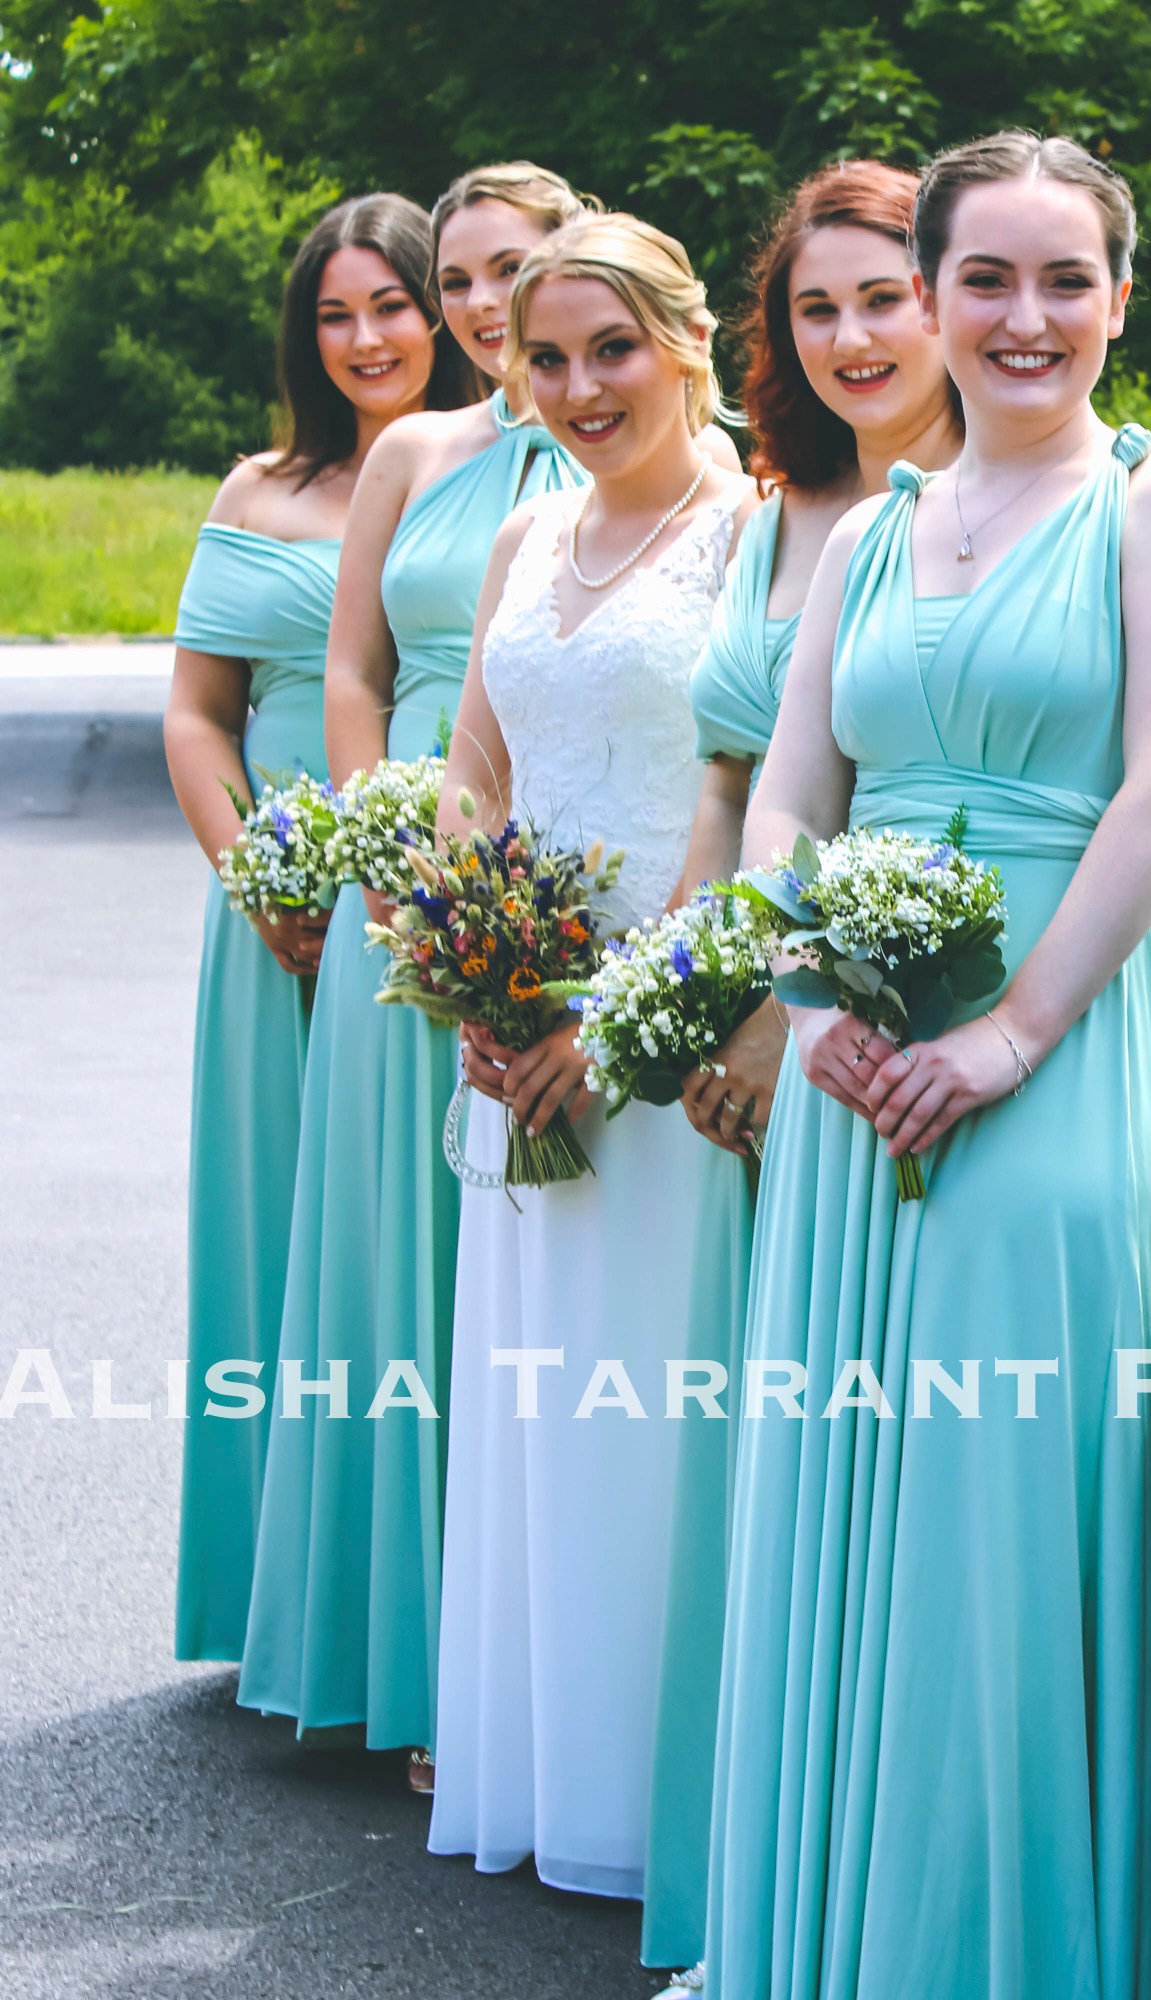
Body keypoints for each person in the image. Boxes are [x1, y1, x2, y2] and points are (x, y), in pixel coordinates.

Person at [692, 131, 1151, 2000]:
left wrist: (1009, 1035)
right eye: (985, 280)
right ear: (929, 298)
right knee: (843, 1511)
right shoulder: (870, 534)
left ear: (1120, 300)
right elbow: (791, 794)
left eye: (1064, 280)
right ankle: (830, 1951)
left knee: (995, 1526)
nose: (1026, 318)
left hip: (1051, 1072)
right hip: (855, 1077)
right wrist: (811, 1004)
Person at [234, 163, 695, 1784]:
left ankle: (604, 1726)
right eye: (472, 286)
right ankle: (463, 1688)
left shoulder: (729, 506)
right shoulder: (460, 486)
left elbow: (734, 771)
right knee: (472, 1318)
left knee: (617, 1337)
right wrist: (442, 922)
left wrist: (626, 990)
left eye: (538, 291)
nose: (503, 319)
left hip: (637, 942)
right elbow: (393, 701)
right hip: (471, 929)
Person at [639, 156, 962, 1978]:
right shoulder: (786, 513)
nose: (851, 337)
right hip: (751, 1024)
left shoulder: (993, 516)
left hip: (874, 1032)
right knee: (774, 1476)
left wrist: (784, 1017)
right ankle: (769, 1880)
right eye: (815, 307)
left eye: (882, 297)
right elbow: (729, 787)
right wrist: (698, 1012)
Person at [425, 212, 758, 1900]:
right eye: (544, 358)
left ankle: (660, 1802)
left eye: (611, 348)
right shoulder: (526, 532)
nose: (578, 387)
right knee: (542, 1401)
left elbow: (742, 804)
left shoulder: (757, 533)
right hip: (516, 1027)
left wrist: (620, 1023)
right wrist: (475, 969)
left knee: (651, 1406)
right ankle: (550, 1769)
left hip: (664, 1039)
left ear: (688, 343)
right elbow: (473, 768)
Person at [166, 192, 460, 1666]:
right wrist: (258, 875)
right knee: (272, 1240)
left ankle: (396, 1605)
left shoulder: (490, 479)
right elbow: (196, 715)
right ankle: (270, 1603)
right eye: (335, 315)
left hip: (425, 899)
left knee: (399, 1256)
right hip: (277, 907)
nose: (366, 339)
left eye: (391, 305)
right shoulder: (260, 488)